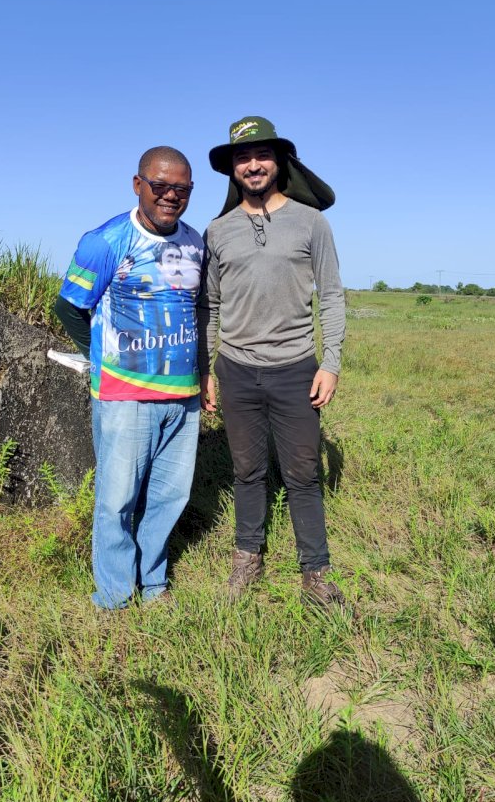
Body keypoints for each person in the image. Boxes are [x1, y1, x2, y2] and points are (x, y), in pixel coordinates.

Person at [197, 117, 346, 609]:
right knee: (248, 471)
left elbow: (331, 296)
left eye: (262, 156)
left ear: (279, 163)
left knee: (303, 474)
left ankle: (316, 572)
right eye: (243, 157)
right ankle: (247, 559)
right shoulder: (217, 232)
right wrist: (207, 368)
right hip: (236, 370)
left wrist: (331, 363)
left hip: (296, 367)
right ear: (233, 169)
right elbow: (211, 307)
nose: (253, 165)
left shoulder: (311, 222)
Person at [55, 147, 203, 609]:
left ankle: (154, 583)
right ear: (138, 185)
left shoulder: (196, 242)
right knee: (116, 501)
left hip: (183, 397)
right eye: (160, 186)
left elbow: (198, 310)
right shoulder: (106, 241)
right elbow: (69, 307)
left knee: (168, 499)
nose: (170, 197)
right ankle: (116, 597)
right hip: (124, 397)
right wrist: (97, 358)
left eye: (182, 189)